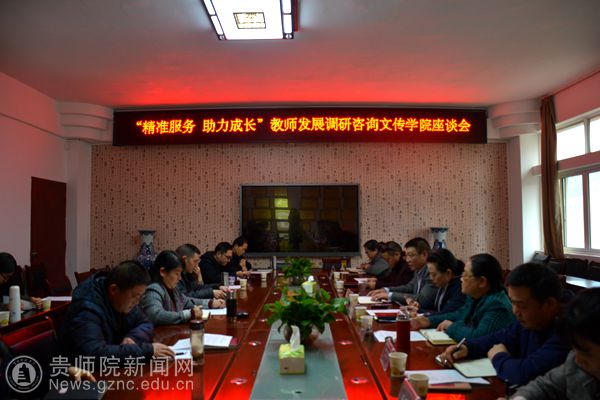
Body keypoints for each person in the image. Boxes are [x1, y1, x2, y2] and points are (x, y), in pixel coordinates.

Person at [438, 263, 569, 387]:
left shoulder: (567, 334)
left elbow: (525, 374)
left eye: (522, 305)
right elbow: (500, 337)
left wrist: (498, 357)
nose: (515, 311)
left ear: (549, 304)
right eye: (513, 302)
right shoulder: (528, 321)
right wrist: (467, 348)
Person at [59, 260, 173, 363]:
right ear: (114, 289)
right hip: (79, 374)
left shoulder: (122, 300)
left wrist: (133, 338)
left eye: (140, 297)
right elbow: (93, 353)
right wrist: (146, 351)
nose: (137, 302)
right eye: (135, 296)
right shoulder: (87, 309)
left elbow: (145, 323)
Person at [506, 288, 600, 400]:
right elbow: (544, 386)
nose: (577, 359)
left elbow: (524, 372)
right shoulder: (575, 362)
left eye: (586, 353)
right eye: (574, 349)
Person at [411, 253, 514, 340]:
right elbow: (460, 314)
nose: (461, 279)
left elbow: (477, 337)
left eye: (465, 275)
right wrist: (429, 321)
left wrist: (451, 327)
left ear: (482, 281)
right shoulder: (475, 296)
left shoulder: (497, 304)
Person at [140, 250, 225, 325]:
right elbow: (156, 315)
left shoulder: (173, 289)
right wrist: (189, 314)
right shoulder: (154, 290)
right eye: (177, 273)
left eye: (180, 274)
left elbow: (187, 301)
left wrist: (210, 303)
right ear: (163, 272)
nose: (179, 278)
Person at [368, 238, 437, 310]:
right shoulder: (418, 268)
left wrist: (390, 295)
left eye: (411, 255)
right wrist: (387, 290)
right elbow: (409, 287)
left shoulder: (432, 271)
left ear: (424, 254)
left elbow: (423, 299)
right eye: (406, 256)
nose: (407, 260)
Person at [411, 248, 466, 315]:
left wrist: (421, 312)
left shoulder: (460, 289)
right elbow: (436, 309)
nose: (431, 278)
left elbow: (446, 314)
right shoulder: (443, 283)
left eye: (433, 274)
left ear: (448, 273)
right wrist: (418, 309)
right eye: (430, 274)